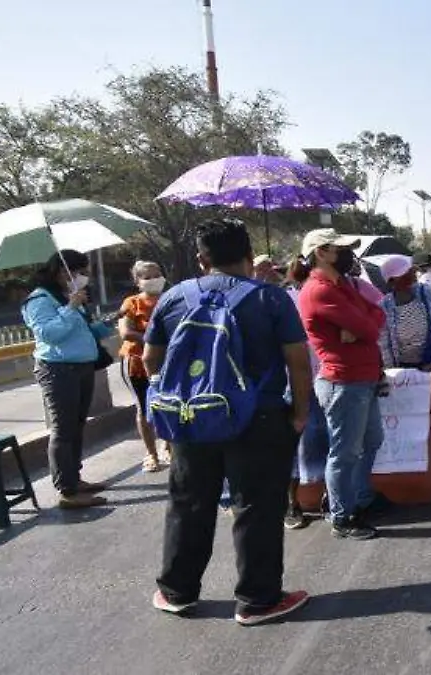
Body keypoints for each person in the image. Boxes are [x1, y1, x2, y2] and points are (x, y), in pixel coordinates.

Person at [143, 218, 312, 625]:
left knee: (188, 503)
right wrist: (300, 414)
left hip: (192, 417)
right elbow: (298, 363)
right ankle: (258, 600)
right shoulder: (271, 298)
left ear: (202, 258)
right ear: (249, 255)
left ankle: (176, 592)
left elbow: (151, 359)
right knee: (256, 507)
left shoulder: (174, 297)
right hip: (259, 417)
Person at [297, 228, 389, 541]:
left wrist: (361, 327)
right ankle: (342, 515)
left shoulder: (341, 285)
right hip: (343, 381)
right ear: (321, 252)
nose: (348, 254)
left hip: (361, 378)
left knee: (371, 440)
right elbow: (369, 324)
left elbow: (375, 317)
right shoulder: (320, 290)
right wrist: (362, 326)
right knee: (345, 452)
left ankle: (356, 499)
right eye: (340, 249)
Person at [21, 250, 115, 509]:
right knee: (63, 431)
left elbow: (80, 329)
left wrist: (108, 322)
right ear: (62, 272)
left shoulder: (67, 297)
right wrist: (71, 308)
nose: (83, 278)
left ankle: (75, 477)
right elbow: (51, 334)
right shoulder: (39, 300)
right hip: (58, 370)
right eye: (79, 272)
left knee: (76, 427)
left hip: (81, 367)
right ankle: (67, 490)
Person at [282, 256, 332, 530]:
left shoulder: (331, 295)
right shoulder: (281, 300)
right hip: (292, 381)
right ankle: (292, 503)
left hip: (326, 378)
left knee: (327, 438)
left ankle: (326, 498)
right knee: (292, 441)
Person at [118, 260, 170, 474]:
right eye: (147, 277)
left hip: (168, 361)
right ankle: (151, 453)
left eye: (156, 274)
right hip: (138, 363)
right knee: (144, 406)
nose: (153, 280)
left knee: (169, 403)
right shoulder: (131, 303)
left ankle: (168, 445)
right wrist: (154, 341)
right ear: (138, 282)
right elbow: (126, 332)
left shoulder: (171, 299)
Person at [375, 254, 431, 371]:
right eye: (405, 273)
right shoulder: (384, 305)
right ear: (392, 281)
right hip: (403, 367)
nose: (411, 274)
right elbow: (385, 344)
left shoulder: (425, 292)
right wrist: (391, 371)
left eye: (410, 270)